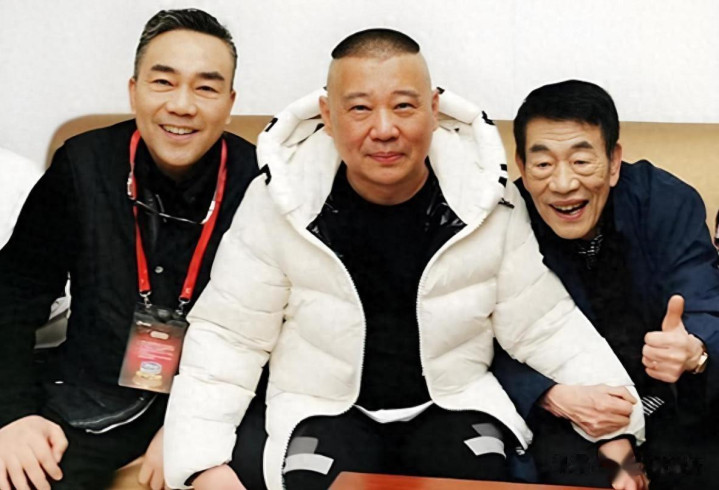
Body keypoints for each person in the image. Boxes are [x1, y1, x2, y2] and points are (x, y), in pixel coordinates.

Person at [164, 29, 645, 490]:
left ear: (434, 110)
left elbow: (544, 323)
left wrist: (618, 435)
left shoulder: (485, 198)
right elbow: (231, 338)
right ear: (327, 115)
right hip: (324, 409)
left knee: (477, 471)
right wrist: (202, 466)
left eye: (404, 106)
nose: (384, 129)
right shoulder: (279, 201)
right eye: (360, 108)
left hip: (452, 403)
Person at [0, 9, 263, 490]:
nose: (181, 104)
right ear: (134, 90)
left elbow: (281, 333)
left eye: (205, 87)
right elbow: (12, 296)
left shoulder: (262, 183)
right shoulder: (83, 166)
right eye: (163, 82)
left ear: (230, 103)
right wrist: (13, 416)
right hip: (90, 398)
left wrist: (193, 424)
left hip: (221, 403)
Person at [494, 79, 719, 489]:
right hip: (569, 410)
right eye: (543, 165)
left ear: (614, 162)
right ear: (521, 167)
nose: (563, 184)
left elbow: (705, 301)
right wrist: (548, 395)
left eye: (582, 161)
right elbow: (480, 338)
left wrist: (693, 349)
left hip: (672, 403)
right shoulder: (500, 222)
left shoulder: (665, 202)